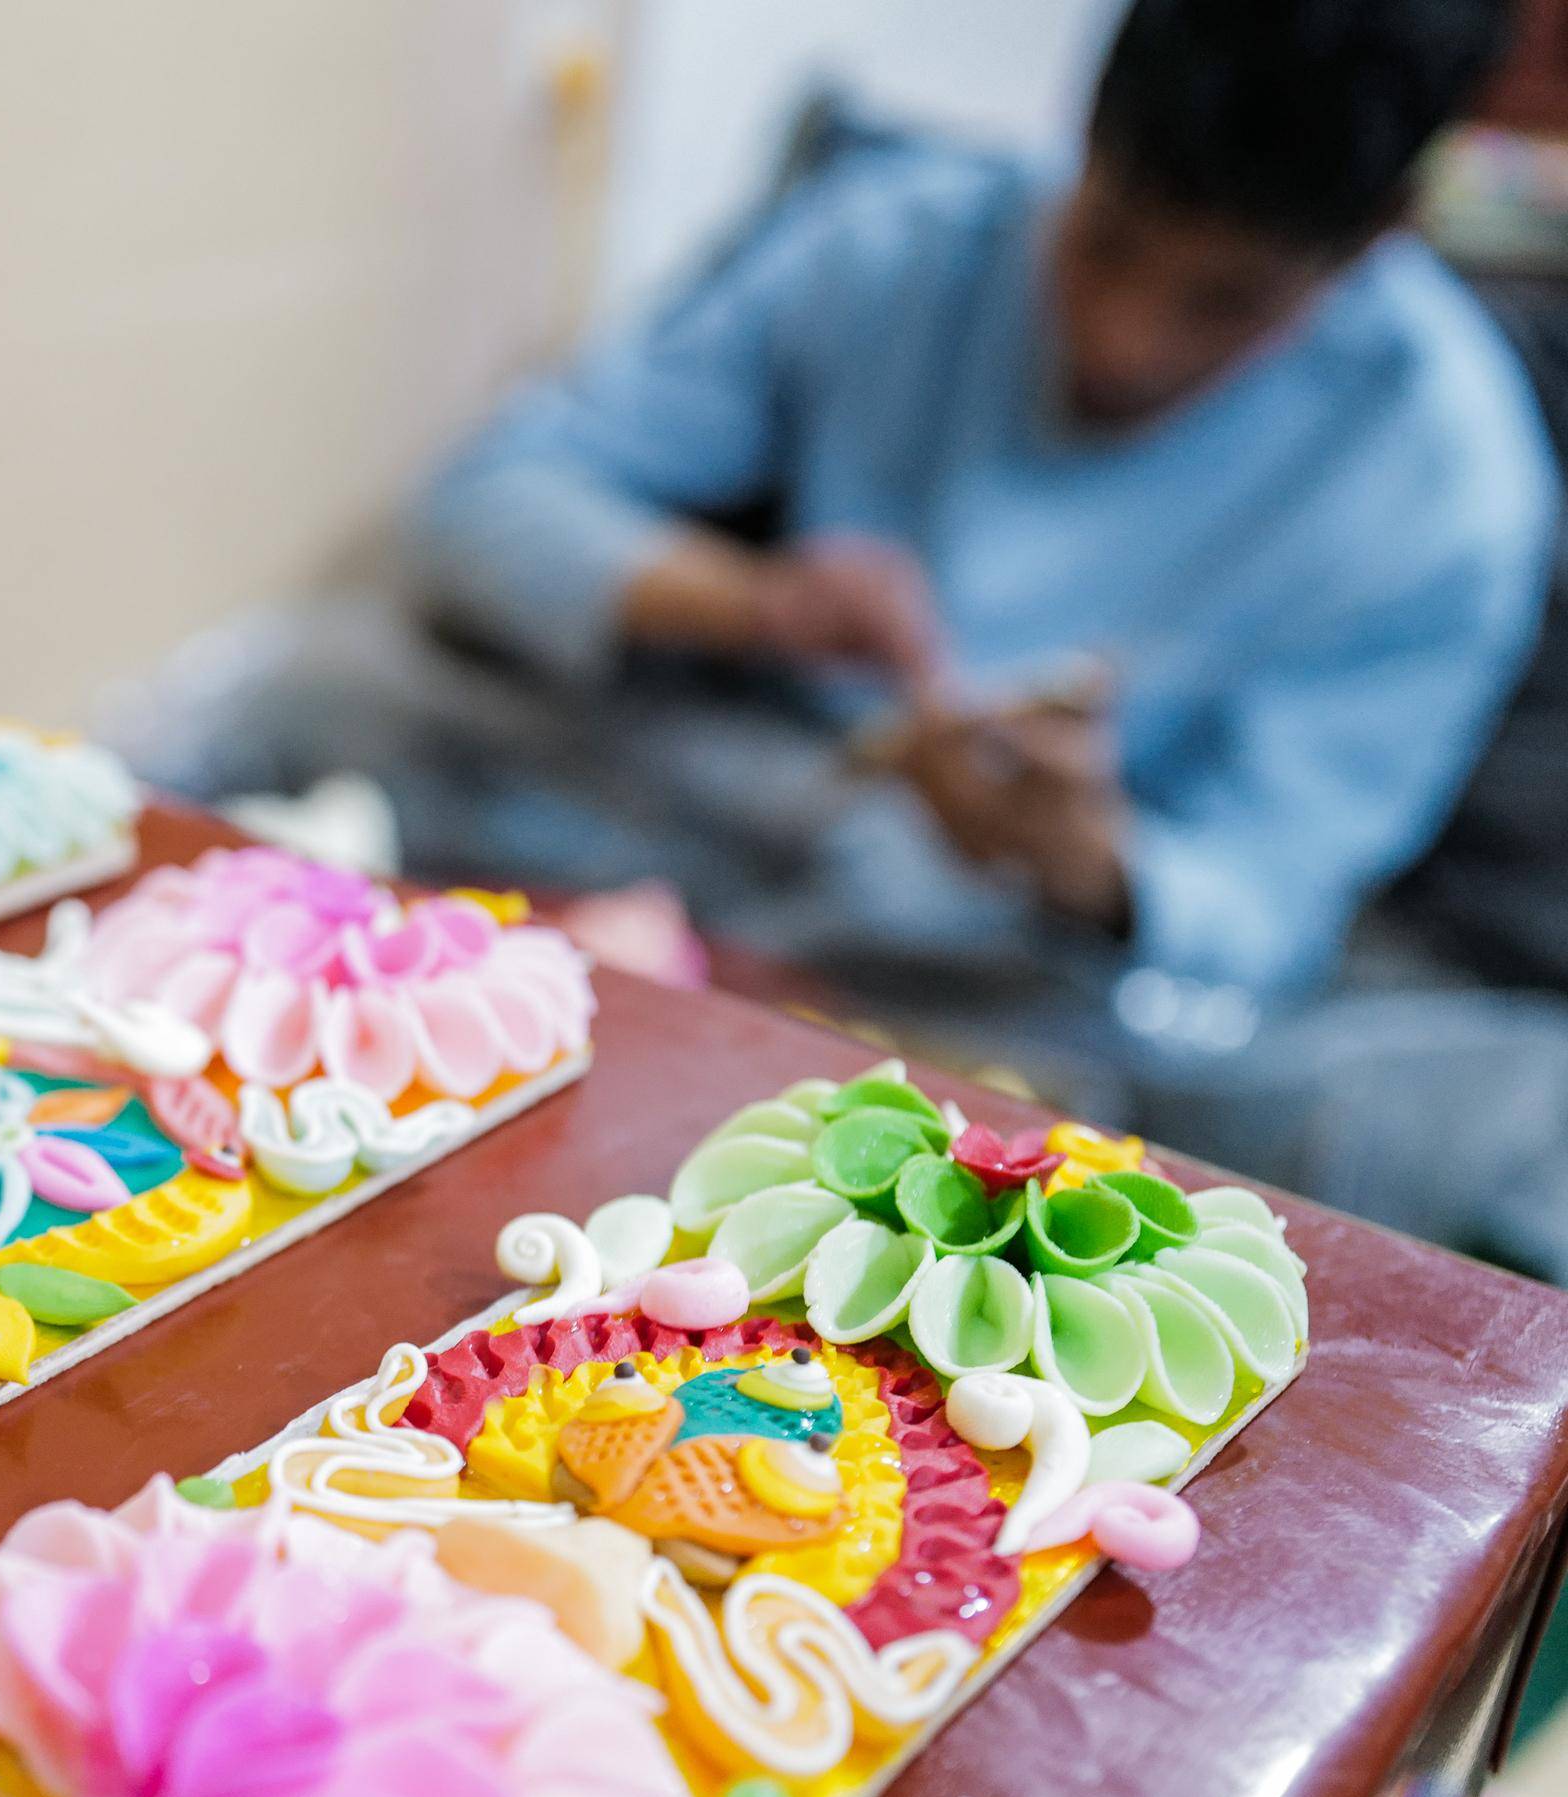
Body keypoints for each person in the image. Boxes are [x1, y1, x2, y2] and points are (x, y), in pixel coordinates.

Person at [126, 0, 1555, 1032]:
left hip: (1021, 961)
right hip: (732, 796)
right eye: (1106, 242)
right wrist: (751, 604)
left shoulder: (1454, 489)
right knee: (312, 690)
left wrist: (1083, 854)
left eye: (1221, 305)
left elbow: (1270, 908)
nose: (1120, 341)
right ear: (1079, 128)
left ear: (1380, 238)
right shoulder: (903, 234)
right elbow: (491, 502)